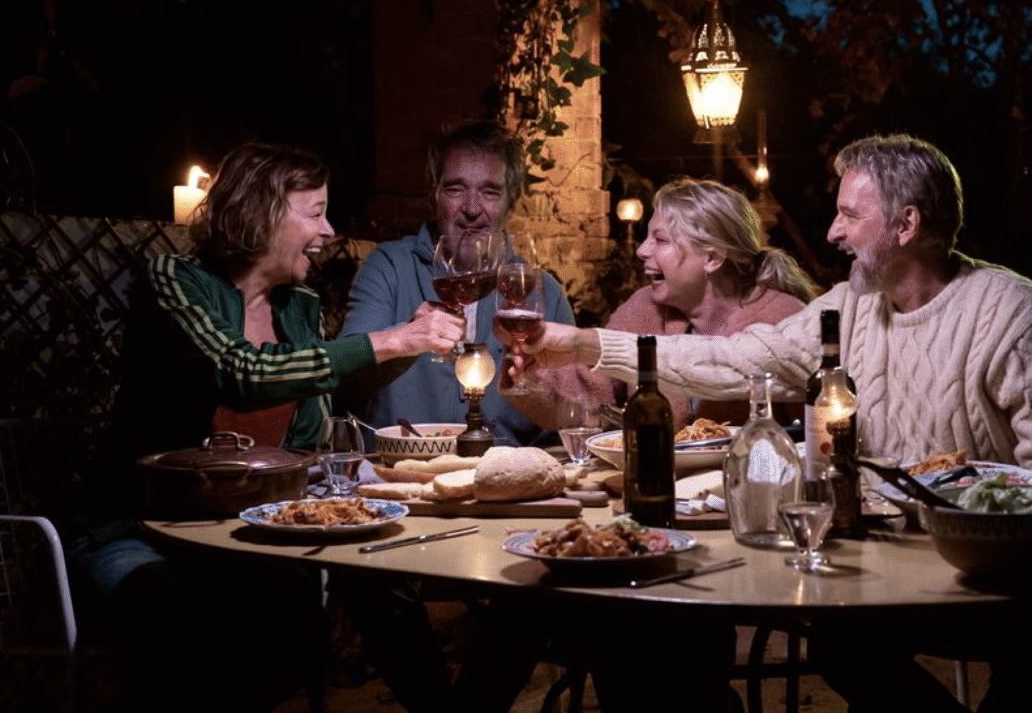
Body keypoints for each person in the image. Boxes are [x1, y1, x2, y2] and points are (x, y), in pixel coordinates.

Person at [511, 134, 1032, 713]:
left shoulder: (1012, 317)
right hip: (890, 574)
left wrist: (973, 542)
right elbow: (734, 359)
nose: (832, 233)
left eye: (850, 215)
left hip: (1010, 585)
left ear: (906, 225)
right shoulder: (850, 308)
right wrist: (582, 344)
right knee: (840, 644)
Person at [69, 142, 463, 713]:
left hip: (243, 525)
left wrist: (404, 346)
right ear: (262, 212)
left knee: (358, 588)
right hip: (141, 525)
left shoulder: (297, 305)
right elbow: (240, 373)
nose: (329, 231)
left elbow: (314, 422)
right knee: (168, 621)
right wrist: (390, 339)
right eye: (316, 212)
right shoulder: (174, 280)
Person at [500, 176, 818, 430]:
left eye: (660, 240)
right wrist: (528, 375)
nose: (641, 251)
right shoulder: (645, 308)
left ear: (712, 257)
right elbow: (586, 393)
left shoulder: (784, 320)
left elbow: (815, 430)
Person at [337, 118, 576, 445]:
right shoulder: (389, 267)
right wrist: (405, 339)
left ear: (510, 204)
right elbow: (345, 381)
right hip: (402, 467)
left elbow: (573, 416)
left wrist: (534, 388)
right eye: (455, 189)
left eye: (490, 192)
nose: (472, 209)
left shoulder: (540, 290)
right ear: (433, 195)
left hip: (507, 471)